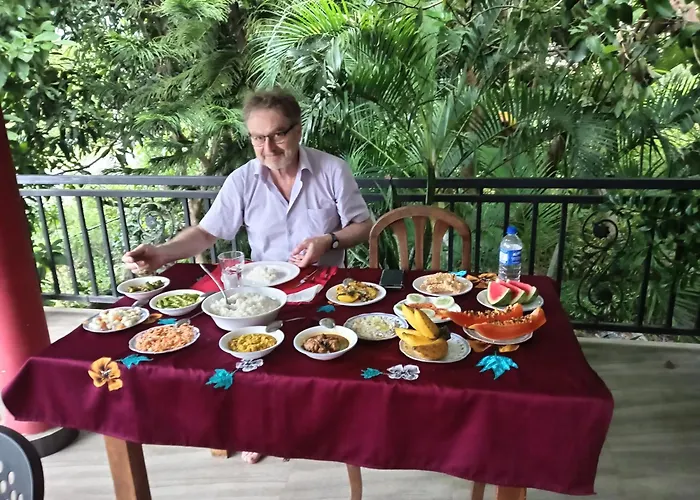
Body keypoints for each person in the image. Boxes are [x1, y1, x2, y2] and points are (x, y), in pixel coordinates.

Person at [122, 88, 372, 464]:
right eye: (258, 137)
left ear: (298, 130)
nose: (267, 147)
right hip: (263, 292)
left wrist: (328, 240)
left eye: (278, 134)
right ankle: (263, 430)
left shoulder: (332, 170)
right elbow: (206, 233)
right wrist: (161, 253)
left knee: (319, 358)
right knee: (255, 358)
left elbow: (363, 226)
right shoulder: (243, 180)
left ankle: (317, 429)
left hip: (325, 287)